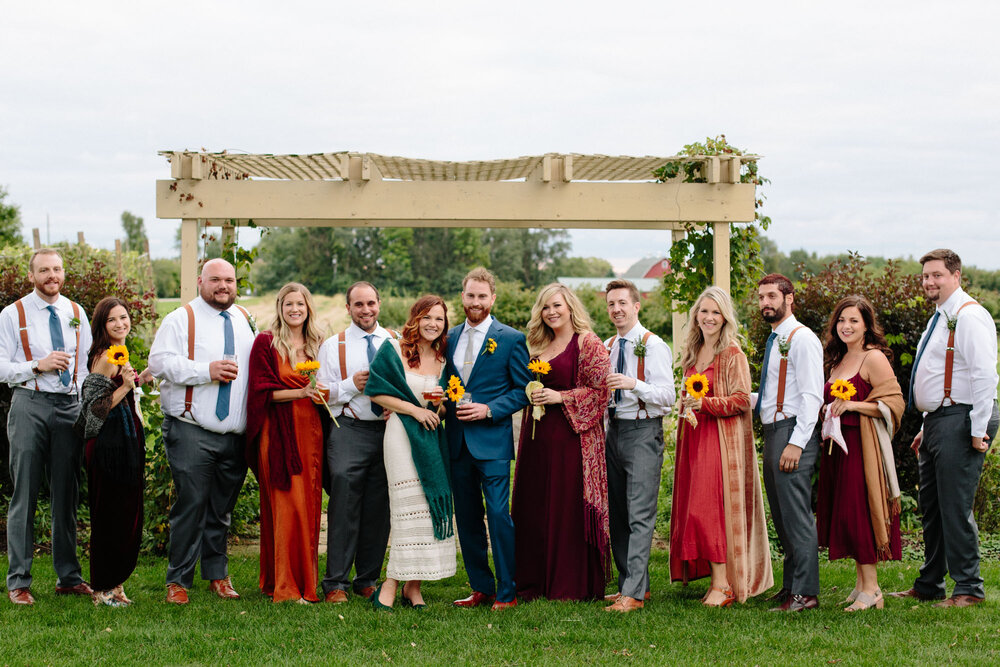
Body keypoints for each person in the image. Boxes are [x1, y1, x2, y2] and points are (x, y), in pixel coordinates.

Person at [890, 249, 1000, 608]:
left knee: (954, 506)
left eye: (937, 275)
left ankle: (968, 589)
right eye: (925, 276)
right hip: (940, 420)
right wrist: (928, 424)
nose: (929, 282)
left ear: (956, 276)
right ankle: (929, 584)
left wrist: (975, 429)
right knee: (933, 507)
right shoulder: (940, 317)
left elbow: (985, 376)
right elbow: (939, 376)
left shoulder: (968, 316)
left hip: (964, 418)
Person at [148, 258, 254, 604]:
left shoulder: (242, 319)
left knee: (221, 509)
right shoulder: (181, 319)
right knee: (191, 504)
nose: (223, 286)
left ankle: (217, 575)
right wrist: (205, 370)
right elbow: (159, 363)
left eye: (229, 280)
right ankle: (178, 580)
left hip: (234, 435)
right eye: (215, 280)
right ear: (200, 281)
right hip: (191, 429)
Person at [1, 248, 93, 606]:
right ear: (31, 275)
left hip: (69, 407)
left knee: (66, 495)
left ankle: (68, 576)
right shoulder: (13, 314)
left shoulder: (75, 311)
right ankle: (19, 581)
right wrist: (36, 366)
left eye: (56, 269)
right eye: (44, 270)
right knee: (24, 494)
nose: (51, 276)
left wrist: (84, 402)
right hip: (30, 404)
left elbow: (84, 366)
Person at [670, 286, 772, 606]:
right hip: (694, 437)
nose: (709, 318)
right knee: (693, 510)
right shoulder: (692, 353)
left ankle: (724, 585)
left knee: (708, 510)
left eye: (716, 312)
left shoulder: (732, 354)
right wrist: (687, 404)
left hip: (718, 441)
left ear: (725, 317)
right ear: (696, 316)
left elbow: (743, 400)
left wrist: (705, 404)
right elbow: (692, 396)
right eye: (704, 311)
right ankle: (715, 579)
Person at [511, 282, 611, 602]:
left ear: (570, 307)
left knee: (566, 507)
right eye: (545, 307)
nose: (551, 312)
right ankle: (534, 580)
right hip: (538, 437)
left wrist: (560, 397)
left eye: (557, 305)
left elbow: (602, 392)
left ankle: (570, 583)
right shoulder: (539, 344)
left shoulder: (588, 343)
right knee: (536, 505)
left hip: (573, 439)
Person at [445, 267, 532, 611]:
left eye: (482, 296)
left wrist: (489, 410)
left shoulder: (511, 339)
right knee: (466, 518)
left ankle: (507, 591)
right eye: (470, 296)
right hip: (456, 442)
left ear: (492, 298)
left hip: (493, 443)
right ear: (462, 296)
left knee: (498, 515)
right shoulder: (448, 337)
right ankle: (481, 587)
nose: (476, 302)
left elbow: (522, 391)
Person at [365, 295, 456, 610]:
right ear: (416, 318)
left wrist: (438, 405)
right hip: (401, 437)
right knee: (406, 514)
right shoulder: (394, 350)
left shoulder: (444, 359)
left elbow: (440, 412)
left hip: (430, 440)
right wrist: (415, 412)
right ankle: (389, 585)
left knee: (429, 510)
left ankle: (412, 587)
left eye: (439, 319)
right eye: (427, 317)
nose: (433, 324)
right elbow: (376, 392)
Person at [816, 295, 904, 612]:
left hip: (861, 448)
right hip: (835, 450)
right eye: (841, 320)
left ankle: (873, 589)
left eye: (854, 320)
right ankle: (860, 585)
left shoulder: (873, 358)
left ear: (866, 325)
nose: (846, 326)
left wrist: (853, 405)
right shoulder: (836, 360)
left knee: (860, 514)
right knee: (845, 515)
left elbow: (895, 403)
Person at [246, 283, 327, 604]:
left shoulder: (318, 343)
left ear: (309, 308)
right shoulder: (266, 343)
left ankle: (308, 582)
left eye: (301, 304)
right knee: (285, 506)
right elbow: (259, 391)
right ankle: (285, 585)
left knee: (308, 505)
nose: (295, 309)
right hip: (278, 434)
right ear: (280, 307)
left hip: (311, 433)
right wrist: (301, 392)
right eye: (289, 304)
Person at [316, 281, 393, 603]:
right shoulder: (334, 345)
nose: (366, 310)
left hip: (388, 432)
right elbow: (320, 393)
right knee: (345, 504)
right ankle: (335, 582)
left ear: (379, 304)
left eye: (371, 303)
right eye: (359, 304)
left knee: (379, 508)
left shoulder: (394, 341)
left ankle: (367, 578)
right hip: (350, 427)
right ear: (348, 308)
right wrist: (351, 384)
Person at [602, 279, 675, 612]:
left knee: (639, 513)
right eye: (611, 304)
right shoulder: (608, 346)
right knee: (618, 514)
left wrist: (634, 384)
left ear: (636, 306)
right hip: (613, 431)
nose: (616, 309)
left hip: (643, 431)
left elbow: (668, 397)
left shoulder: (653, 344)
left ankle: (633, 593)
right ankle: (629, 587)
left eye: (622, 303)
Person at [76, 297, 153, 607]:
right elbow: (93, 411)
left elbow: (122, 389)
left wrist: (137, 379)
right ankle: (102, 589)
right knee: (110, 514)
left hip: (126, 438)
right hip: (108, 444)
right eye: (112, 320)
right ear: (102, 326)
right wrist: (126, 386)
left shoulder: (119, 354)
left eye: (124, 317)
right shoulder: (106, 356)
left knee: (125, 512)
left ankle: (116, 585)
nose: (121, 323)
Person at [754, 273, 824, 611]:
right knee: (781, 515)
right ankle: (791, 586)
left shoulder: (802, 339)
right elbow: (773, 392)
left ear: (789, 298)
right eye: (761, 297)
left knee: (796, 515)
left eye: (772, 296)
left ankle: (806, 593)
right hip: (774, 431)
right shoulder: (775, 338)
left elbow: (812, 396)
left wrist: (797, 443)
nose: (766, 303)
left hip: (793, 432)